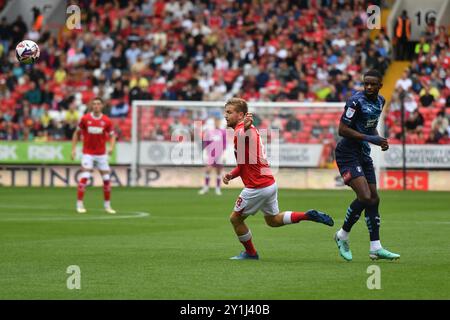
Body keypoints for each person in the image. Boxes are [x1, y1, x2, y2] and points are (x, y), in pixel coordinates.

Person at [222, 98, 334, 260]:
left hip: (256, 187)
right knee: (273, 220)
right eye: (226, 112)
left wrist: (244, 127)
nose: (226, 116)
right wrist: (231, 174)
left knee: (235, 219)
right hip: (269, 184)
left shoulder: (244, 129)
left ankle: (251, 253)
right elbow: (244, 164)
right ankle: (307, 215)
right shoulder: (248, 130)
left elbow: (241, 134)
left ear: (240, 115)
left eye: (229, 112)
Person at [334, 69, 400, 261]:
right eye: (366, 84)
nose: (369, 87)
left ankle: (375, 248)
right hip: (347, 154)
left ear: (380, 85)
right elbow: (342, 129)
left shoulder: (380, 101)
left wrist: (379, 138)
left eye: (373, 84)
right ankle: (342, 235)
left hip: (363, 153)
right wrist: (370, 138)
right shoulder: (355, 102)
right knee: (364, 196)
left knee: (374, 199)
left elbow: (370, 124)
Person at [71, 97, 116, 214]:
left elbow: (112, 135)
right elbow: (76, 133)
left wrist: (111, 147)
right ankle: (79, 205)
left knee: (106, 179)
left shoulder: (107, 120)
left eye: (98, 104)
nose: (96, 106)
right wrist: (73, 149)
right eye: (94, 104)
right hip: (88, 154)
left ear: (102, 106)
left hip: (101, 155)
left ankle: (107, 206)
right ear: (91, 106)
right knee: (85, 176)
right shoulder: (85, 119)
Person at [198, 117, 226, 196]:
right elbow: (207, 142)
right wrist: (207, 152)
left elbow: (224, 143)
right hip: (211, 154)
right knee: (208, 169)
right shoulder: (210, 132)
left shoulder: (223, 132)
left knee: (218, 171)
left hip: (219, 154)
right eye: (216, 121)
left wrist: (222, 153)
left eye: (218, 121)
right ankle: (206, 187)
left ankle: (218, 188)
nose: (217, 123)